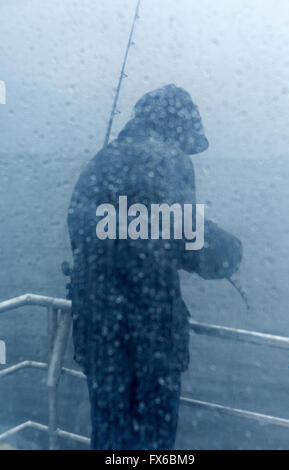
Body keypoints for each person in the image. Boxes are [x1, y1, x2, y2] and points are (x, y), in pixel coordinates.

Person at [67, 84, 242, 450]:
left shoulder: (101, 160)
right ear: (176, 126)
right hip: (151, 338)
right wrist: (230, 251)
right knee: (152, 443)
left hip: (99, 333)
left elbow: (85, 230)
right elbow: (186, 238)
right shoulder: (171, 159)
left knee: (110, 436)